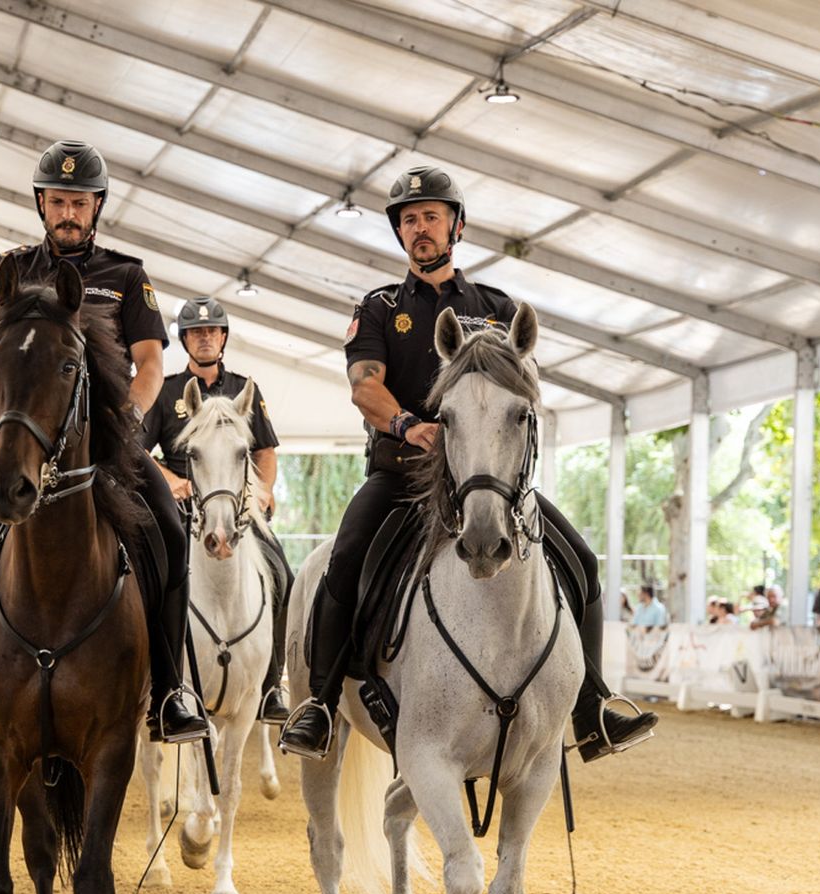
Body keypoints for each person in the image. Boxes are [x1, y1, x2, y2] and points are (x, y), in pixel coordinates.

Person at [277, 163, 656, 763]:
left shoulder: (497, 307)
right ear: (399, 234)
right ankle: (320, 705)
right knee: (343, 562)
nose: (419, 229)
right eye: (408, 221)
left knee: (581, 560)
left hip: (488, 482)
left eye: (430, 217)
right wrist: (410, 425)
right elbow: (364, 387)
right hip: (403, 476)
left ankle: (591, 708)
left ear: (456, 226)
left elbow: (524, 394)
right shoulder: (378, 307)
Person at [0, 139, 208, 748]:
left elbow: (149, 363)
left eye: (80, 203)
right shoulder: (8, 273)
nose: (69, 213)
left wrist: (125, 418)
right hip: (24, 442)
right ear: (42, 205)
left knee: (171, 534)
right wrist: (4, 424)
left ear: (97, 207)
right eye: (59, 202)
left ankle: (171, 690)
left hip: (106, 451)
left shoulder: (127, 276)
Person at [140, 295, 295, 723]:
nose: (205, 338)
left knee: (282, 573)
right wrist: (173, 482)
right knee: (151, 579)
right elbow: (141, 450)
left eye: (212, 331)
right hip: (182, 510)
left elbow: (264, 449)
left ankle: (270, 687)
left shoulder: (245, 389)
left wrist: (261, 491)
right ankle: (162, 687)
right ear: (185, 340)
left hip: (237, 510)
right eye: (196, 332)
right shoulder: (168, 392)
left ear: (223, 337)